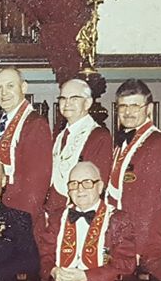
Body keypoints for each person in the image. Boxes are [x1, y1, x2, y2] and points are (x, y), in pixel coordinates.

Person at [105, 79, 161, 252]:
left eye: (135, 106)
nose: (128, 112)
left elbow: (155, 203)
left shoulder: (156, 143)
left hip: (136, 240)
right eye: (123, 106)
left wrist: (139, 248)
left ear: (149, 109)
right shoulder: (122, 141)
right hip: (117, 233)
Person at [0, 67, 52, 237]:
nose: (4, 92)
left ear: (23, 87)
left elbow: (35, 186)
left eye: (10, 86)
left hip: (19, 219)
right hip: (0, 214)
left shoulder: (34, 124)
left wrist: (18, 226)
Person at [45, 77, 112, 217]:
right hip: (54, 213)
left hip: (78, 212)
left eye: (74, 98)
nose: (67, 103)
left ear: (87, 103)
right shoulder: (59, 136)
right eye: (63, 98)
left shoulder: (98, 136)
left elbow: (96, 186)